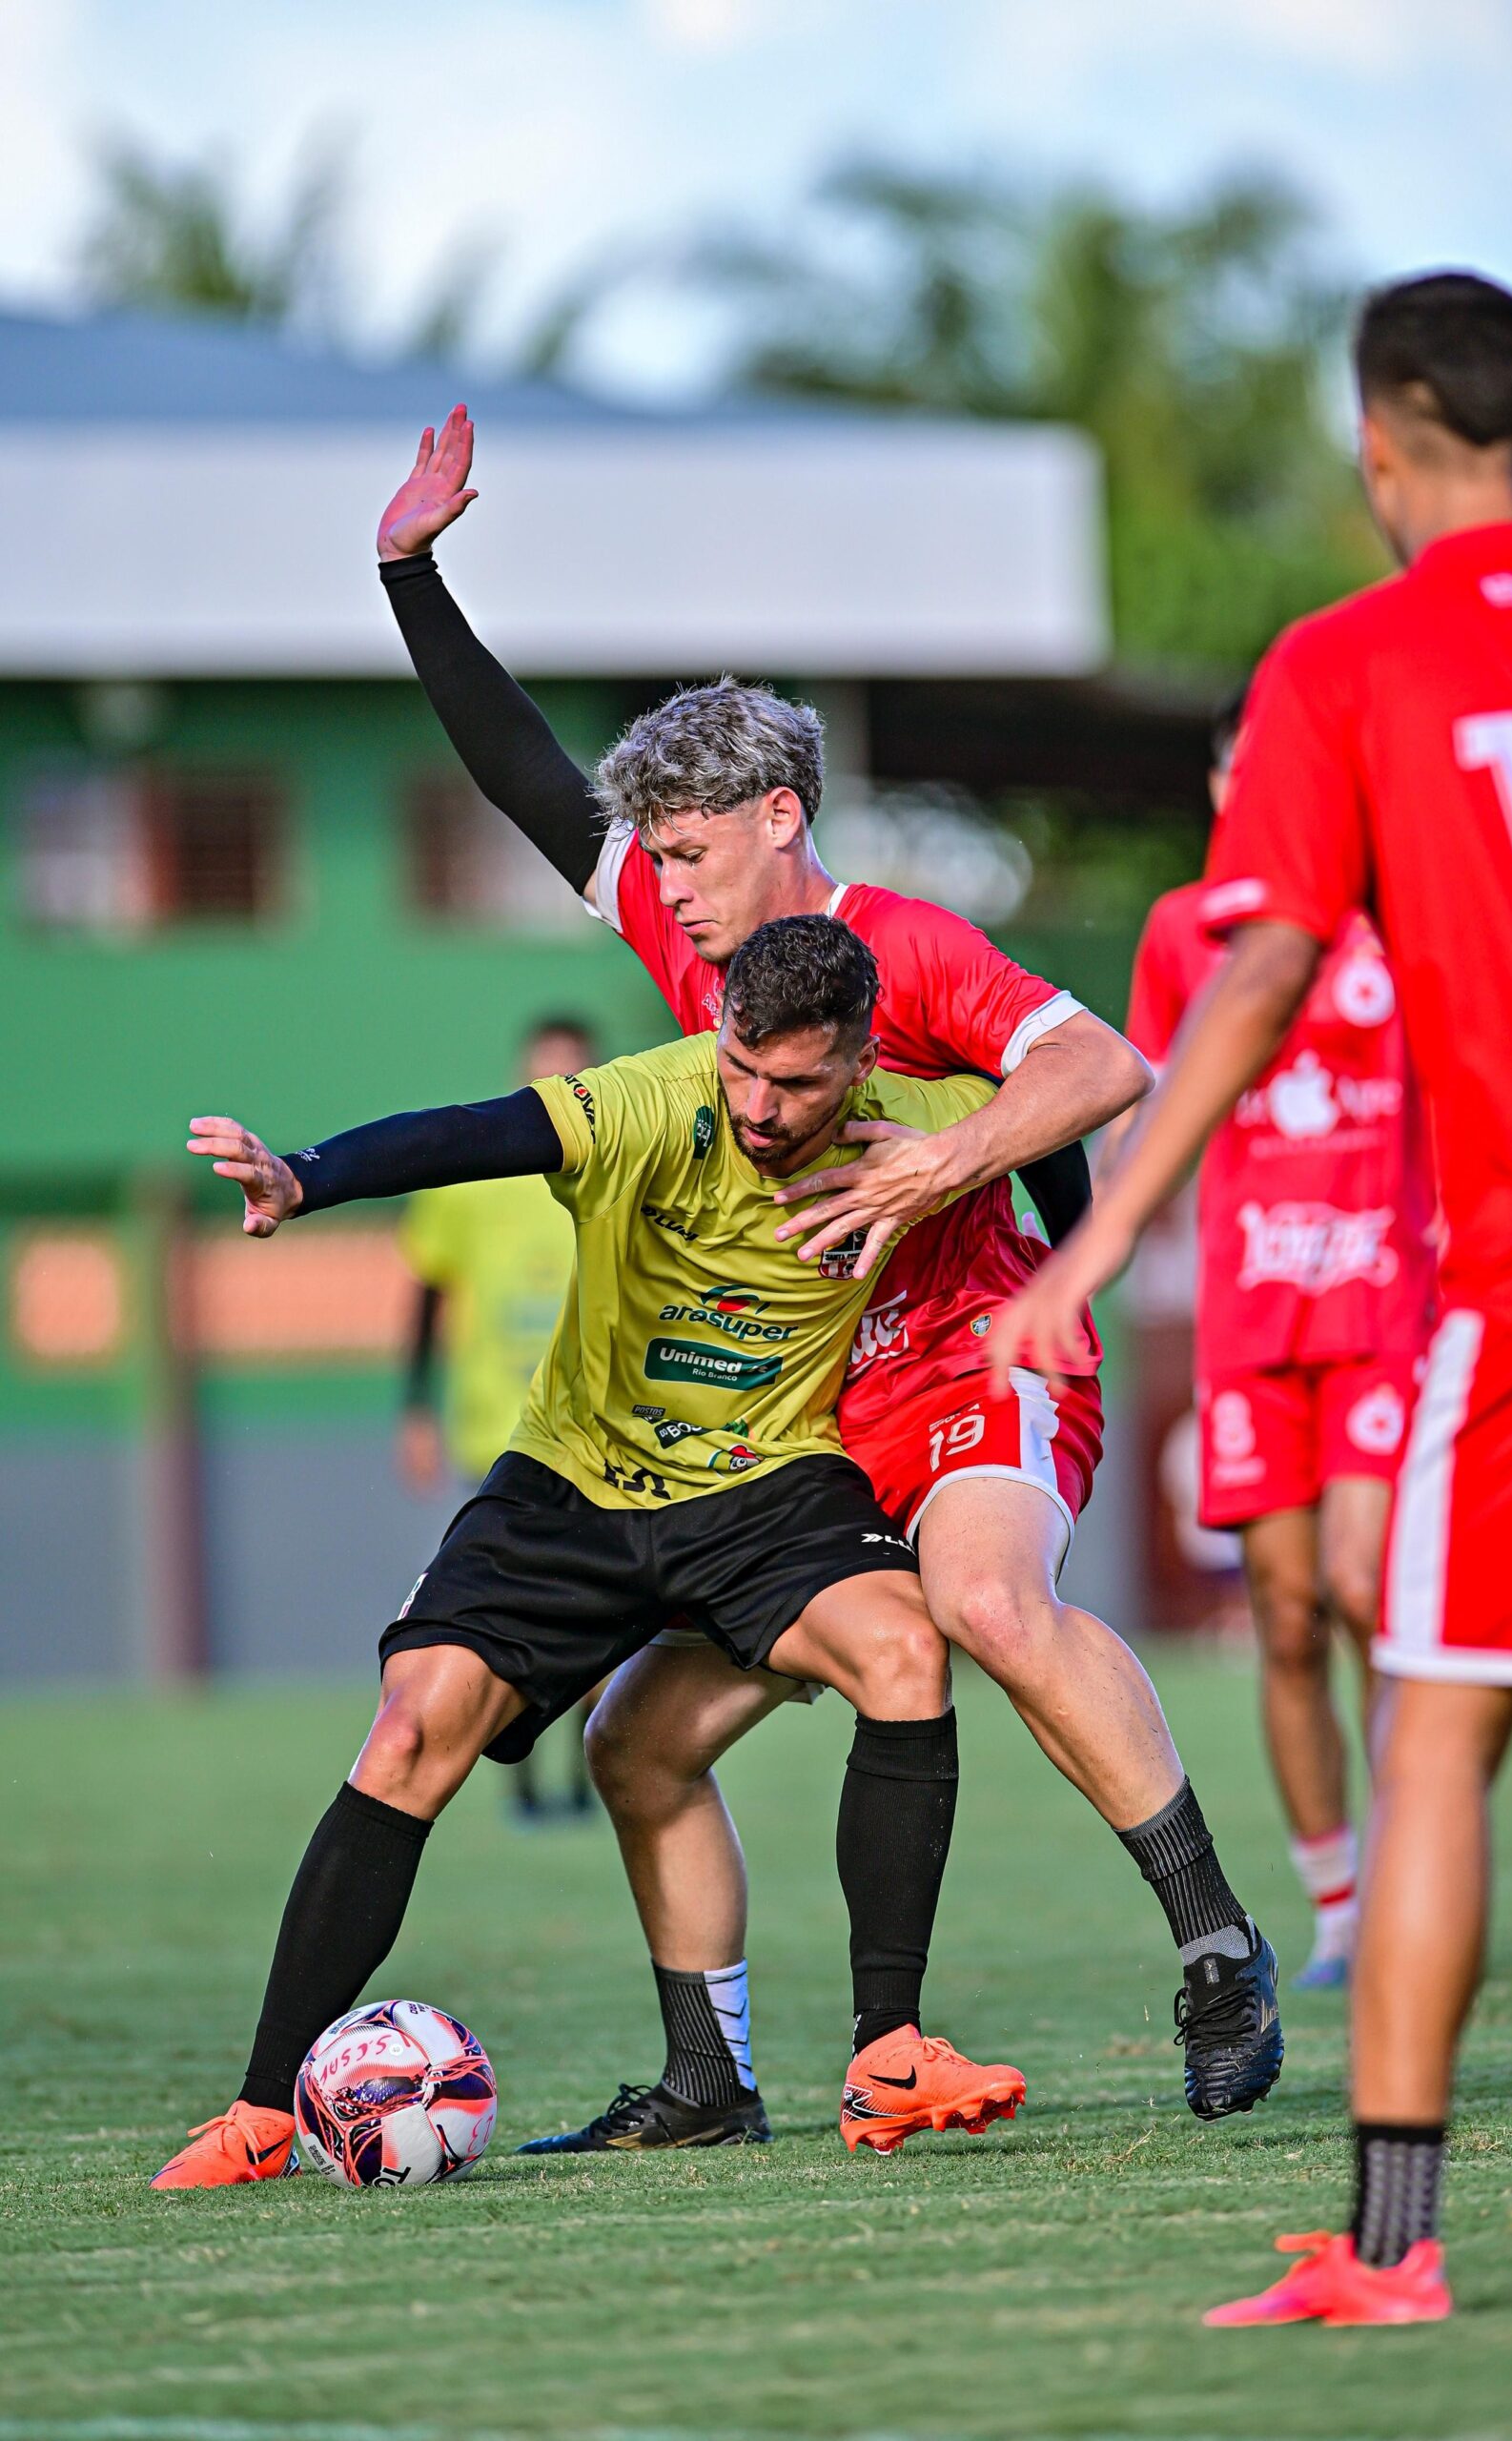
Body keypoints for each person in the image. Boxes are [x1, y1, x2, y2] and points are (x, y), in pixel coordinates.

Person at [373, 412, 1284, 2156]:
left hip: (972, 1351)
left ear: (780, 819)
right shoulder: (690, 930)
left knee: (986, 1604)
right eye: (657, 862)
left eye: (693, 854)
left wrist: (949, 1161)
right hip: (812, 1411)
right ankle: (709, 2078)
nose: (663, 888)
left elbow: (1100, 1067)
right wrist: (410, 574)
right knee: (644, 1745)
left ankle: (1215, 1942)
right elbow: (520, 774)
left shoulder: (909, 944)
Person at [988, 270, 1512, 2327]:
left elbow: (1253, 968)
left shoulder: (1345, 663)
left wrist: (1091, 1243)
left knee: (1428, 1737)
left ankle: (1387, 2247)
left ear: (1377, 443)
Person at [151, 914, 1029, 2189]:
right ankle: (258, 2114)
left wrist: (1041, 1241)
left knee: (904, 1651)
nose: (761, 1106)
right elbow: (472, 1133)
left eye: (795, 1083)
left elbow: (1070, 1102)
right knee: (410, 1725)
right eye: (741, 1068)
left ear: (854, 1065)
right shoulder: (651, 1100)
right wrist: (302, 1175)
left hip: (766, 1482)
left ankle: (885, 2053)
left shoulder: (920, 1119)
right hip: (576, 1481)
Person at [1112, 697, 1436, 1989]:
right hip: (1250, 1319)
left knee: (1364, 1592)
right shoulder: (1183, 933)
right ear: (1215, 785)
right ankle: (1342, 1906)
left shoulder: (1398, 913)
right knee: (1287, 1618)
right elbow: (1143, 1112)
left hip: (1377, 1305)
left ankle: (1419, 1864)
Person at [398, 1011, 603, 1821]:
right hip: (498, 1430)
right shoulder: (477, 1170)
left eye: (572, 1072)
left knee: (597, 1608)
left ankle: (587, 1781)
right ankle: (520, 1785)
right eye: (544, 1071)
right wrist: (414, 1408)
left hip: (599, 1429)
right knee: (506, 1607)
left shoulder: (618, 1158)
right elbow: (427, 1290)